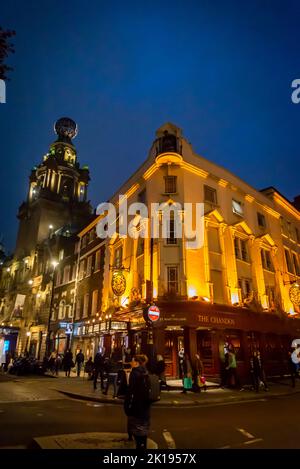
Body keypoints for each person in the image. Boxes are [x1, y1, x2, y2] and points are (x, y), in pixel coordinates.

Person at [124, 354, 152, 450]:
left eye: (132, 361)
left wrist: (127, 406)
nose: (131, 362)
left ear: (136, 362)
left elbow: (130, 391)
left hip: (136, 406)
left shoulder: (134, 373)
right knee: (143, 433)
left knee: (137, 432)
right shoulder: (146, 372)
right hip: (145, 407)